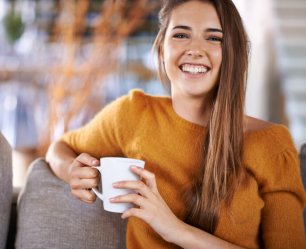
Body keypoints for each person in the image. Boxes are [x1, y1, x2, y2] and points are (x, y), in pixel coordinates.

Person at [46, 0, 306, 248]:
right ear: (161, 47)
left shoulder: (273, 145)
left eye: (214, 37)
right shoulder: (134, 114)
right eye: (181, 35)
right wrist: (72, 171)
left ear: (233, 53)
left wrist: (175, 229)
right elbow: (59, 148)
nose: (194, 49)